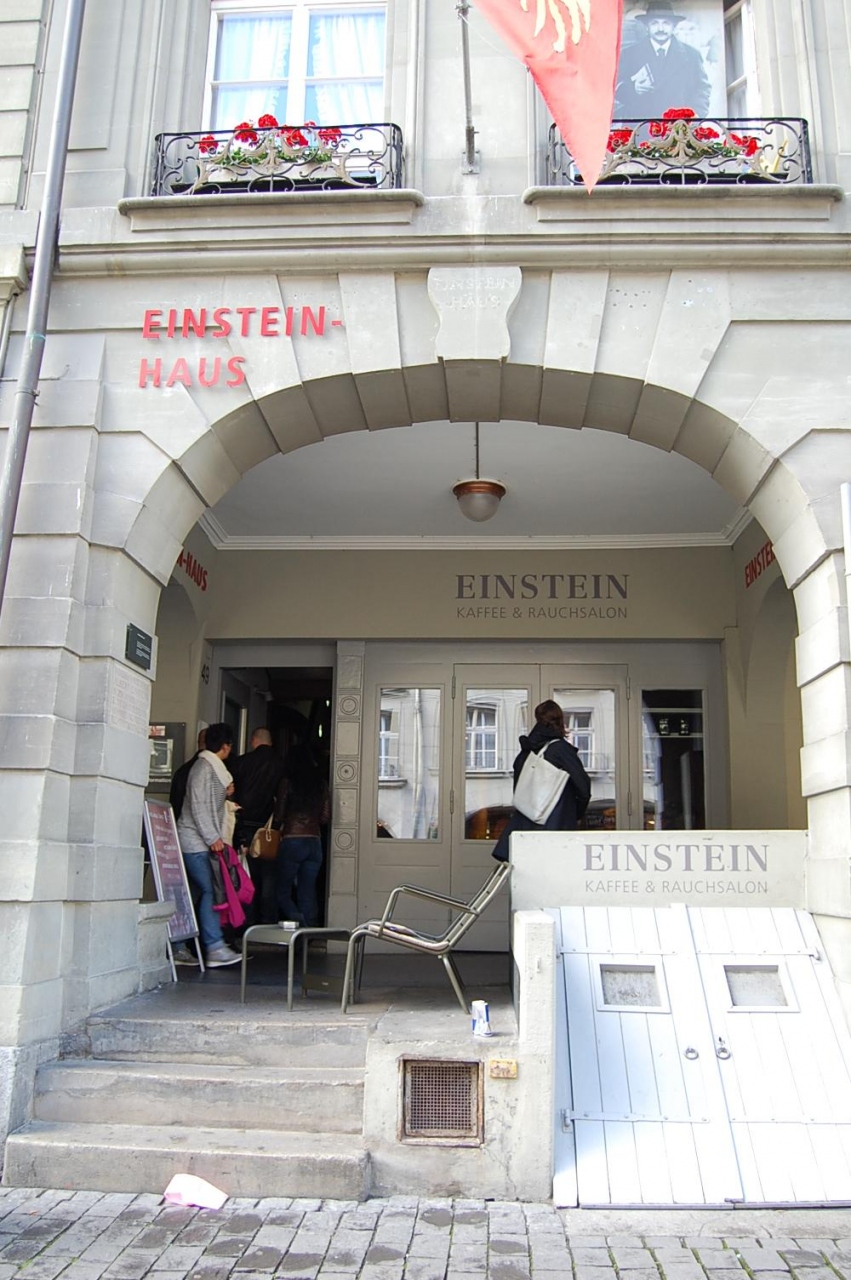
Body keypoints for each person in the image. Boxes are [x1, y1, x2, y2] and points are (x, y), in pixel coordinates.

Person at [175, 721, 242, 966]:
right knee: (210, 891)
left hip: (197, 841)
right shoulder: (204, 768)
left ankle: (177, 946)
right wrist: (213, 838)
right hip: (196, 843)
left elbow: (206, 802)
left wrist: (225, 793)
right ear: (225, 746)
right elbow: (199, 805)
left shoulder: (211, 769)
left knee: (192, 893)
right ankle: (214, 946)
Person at [493, 699, 591, 862]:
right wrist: (576, 813)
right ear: (561, 721)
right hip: (556, 823)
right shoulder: (561, 750)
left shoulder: (528, 750)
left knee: (526, 872)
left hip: (525, 824)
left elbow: (519, 785)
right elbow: (583, 788)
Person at [615, 0, 711, 120]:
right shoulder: (630, 54)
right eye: (654, 23)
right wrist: (633, 89)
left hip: (678, 127)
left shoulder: (692, 55)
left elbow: (702, 89)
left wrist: (695, 115)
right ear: (647, 26)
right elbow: (615, 88)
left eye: (666, 23)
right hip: (640, 127)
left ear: (674, 26)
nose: (660, 28)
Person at [229, 727, 286, 923]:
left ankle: (248, 923)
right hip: (269, 830)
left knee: (247, 876)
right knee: (269, 878)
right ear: (271, 742)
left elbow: (231, 795)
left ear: (253, 741)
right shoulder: (281, 764)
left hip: (244, 827)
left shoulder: (241, 762)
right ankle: (268, 922)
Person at [274, 745, 330, 927]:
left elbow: (279, 815)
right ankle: (309, 931)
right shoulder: (320, 784)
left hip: (292, 840)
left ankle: (300, 923)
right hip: (314, 842)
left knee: (282, 892)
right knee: (307, 893)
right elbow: (325, 817)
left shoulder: (287, 782)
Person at [169, 727, 206, 821]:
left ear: (198, 742)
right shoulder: (207, 770)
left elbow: (174, 802)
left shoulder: (182, 771)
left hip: (180, 822)